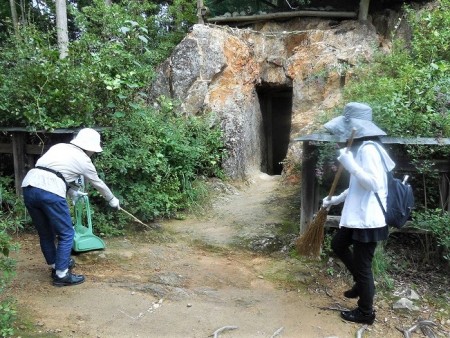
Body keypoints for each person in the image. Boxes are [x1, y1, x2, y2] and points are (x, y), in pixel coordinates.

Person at [322, 102, 395, 325]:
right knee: (338, 245)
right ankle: (361, 285)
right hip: (359, 216)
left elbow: (373, 183)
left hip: (368, 220)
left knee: (364, 267)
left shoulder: (369, 150)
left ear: (355, 128)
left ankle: (365, 313)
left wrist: (349, 163)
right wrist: (335, 200)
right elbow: (356, 185)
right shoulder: (363, 149)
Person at [22, 128, 120, 287]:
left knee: (46, 233)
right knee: (67, 233)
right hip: (50, 191)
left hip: (29, 186)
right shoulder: (84, 160)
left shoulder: (59, 147)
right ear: (89, 148)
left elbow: (53, 170)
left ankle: (56, 266)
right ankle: (61, 275)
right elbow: (98, 183)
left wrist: (70, 191)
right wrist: (112, 199)